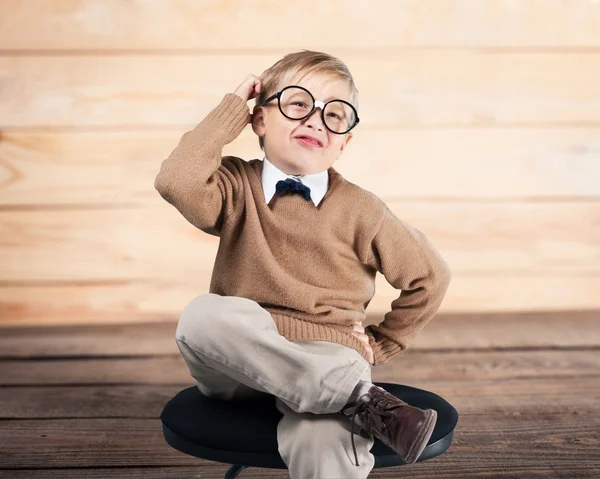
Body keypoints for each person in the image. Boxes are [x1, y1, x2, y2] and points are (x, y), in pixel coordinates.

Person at [154, 50, 452, 478]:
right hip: (240, 360)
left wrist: (383, 343)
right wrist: (232, 106)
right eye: (298, 105)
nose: (316, 121)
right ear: (259, 121)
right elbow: (174, 180)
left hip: (330, 351)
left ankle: (344, 395)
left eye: (334, 115)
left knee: (324, 443)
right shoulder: (234, 186)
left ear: (345, 142)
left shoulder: (363, 210)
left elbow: (431, 276)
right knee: (202, 316)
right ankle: (358, 398)